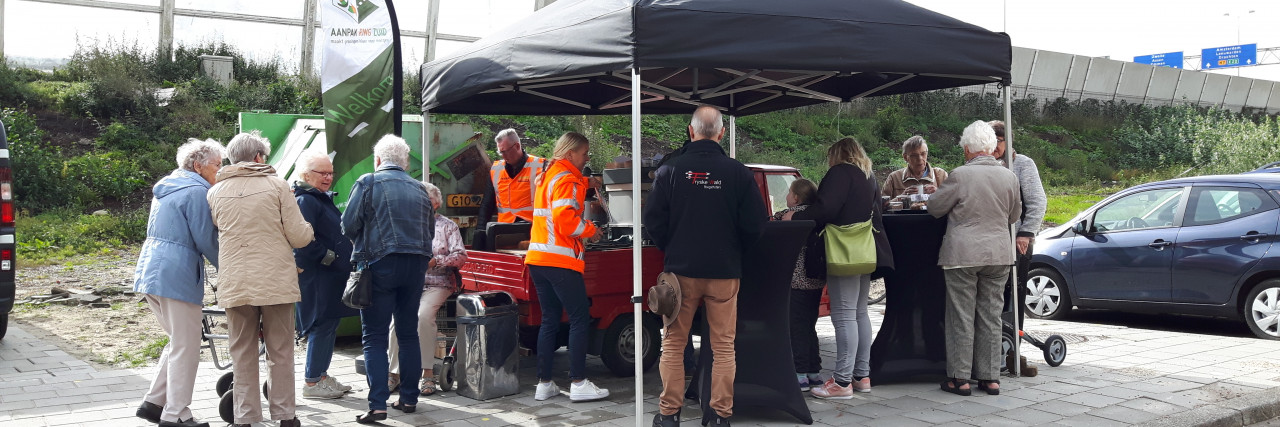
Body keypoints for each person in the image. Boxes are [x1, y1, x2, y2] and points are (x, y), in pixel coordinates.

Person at [645, 106, 766, 427]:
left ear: (690, 130)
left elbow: (653, 222)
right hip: (725, 272)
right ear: (722, 133)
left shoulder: (670, 171)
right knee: (724, 346)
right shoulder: (739, 173)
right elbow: (756, 225)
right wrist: (735, 252)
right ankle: (718, 417)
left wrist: (672, 248)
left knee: (673, 342)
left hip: (680, 273)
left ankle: (669, 415)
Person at [207, 131, 314, 427]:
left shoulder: (215, 191)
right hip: (275, 281)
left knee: (241, 352)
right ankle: (284, 416)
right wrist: (308, 228)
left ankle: (245, 418)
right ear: (257, 158)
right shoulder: (278, 186)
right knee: (280, 351)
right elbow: (299, 236)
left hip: (234, 281)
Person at [785, 137, 893, 399]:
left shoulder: (840, 173)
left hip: (844, 252)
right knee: (859, 313)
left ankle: (842, 381)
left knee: (844, 316)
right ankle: (861, 375)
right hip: (866, 251)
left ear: (838, 155)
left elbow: (826, 209)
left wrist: (795, 216)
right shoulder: (869, 175)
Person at [342, 134, 435, 424]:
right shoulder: (421, 189)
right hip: (416, 266)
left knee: (375, 337)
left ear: (378, 159)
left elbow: (348, 224)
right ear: (405, 162)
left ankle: (377, 405)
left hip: (379, 265)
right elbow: (429, 232)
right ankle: (409, 398)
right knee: (408, 334)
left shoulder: (368, 182)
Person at [132, 138, 224, 427]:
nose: (220, 172)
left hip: (151, 269)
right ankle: (177, 415)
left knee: (179, 341)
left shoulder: (168, 186)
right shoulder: (197, 192)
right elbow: (206, 239)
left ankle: (154, 402)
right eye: (217, 166)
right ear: (198, 166)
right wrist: (231, 268)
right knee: (187, 345)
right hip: (177, 272)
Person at [927, 120, 1022, 396]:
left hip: (963, 255)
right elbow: (1014, 216)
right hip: (999, 255)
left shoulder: (959, 175)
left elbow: (935, 208)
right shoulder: (1009, 177)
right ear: (992, 148)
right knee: (991, 316)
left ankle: (960, 379)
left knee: (961, 316)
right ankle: (991, 378)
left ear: (968, 149)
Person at [525, 132, 610, 403]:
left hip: (538, 259)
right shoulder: (567, 180)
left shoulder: (550, 173)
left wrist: (589, 181)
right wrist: (590, 230)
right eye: (585, 154)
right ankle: (578, 382)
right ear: (571, 153)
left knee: (549, 320)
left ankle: (544, 383)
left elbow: (569, 187)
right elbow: (566, 221)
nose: (587, 159)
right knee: (579, 318)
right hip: (560, 260)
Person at [388, 182, 468, 396]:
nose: (422, 206)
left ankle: (427, 374)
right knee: (397, 320)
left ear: (436, 204)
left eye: (428, 202)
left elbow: (461, 256)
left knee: (423, 316)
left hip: (438, 282)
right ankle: (393, 374)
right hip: (409, 282)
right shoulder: (406, 224)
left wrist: (436, 261)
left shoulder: (447, 226)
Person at [292, 151, 357, 400]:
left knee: (330, 324)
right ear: (306, 175)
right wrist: (330, 257)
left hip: (328, 275)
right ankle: (312, 382)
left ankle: (320, 375)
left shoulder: (316, 197)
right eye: (323, 173)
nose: (328, 177)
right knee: (321, 324)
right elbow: (302, 242)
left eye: (331, 172)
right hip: (318, 276)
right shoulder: (305, 201)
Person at [989, 120, 1046, 330]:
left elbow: (1038, 201)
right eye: (990, 141)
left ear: (1008, 141)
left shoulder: (1023, 164)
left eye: (999, 141)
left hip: (1017, 241)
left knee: (1014, 297)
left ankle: (1015, 352)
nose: (994, 146)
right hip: (991, 240)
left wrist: (1025, 233)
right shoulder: (982, 165)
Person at [771, 178, 826, 392]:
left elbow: (773, 226)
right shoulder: (816, 215)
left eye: (788, 193)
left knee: (796, 327)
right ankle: (815, 371)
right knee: (810, 326)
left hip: (796, 280)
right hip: (815, 279)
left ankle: (800, 373)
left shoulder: (790, 215)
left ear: (796, 197)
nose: (786, 197)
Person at [478, 128, 547, 225]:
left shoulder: (541, 166)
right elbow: (487, 205)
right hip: (504, 230)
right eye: (500, 152)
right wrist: (480, 230)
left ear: (517, 146)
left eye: (505, 151)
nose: (503, 156)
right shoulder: (496, 170)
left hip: (532, 229)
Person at [882, 135, 948, 197]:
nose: (920, 159)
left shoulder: (941, 175)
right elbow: (881, 206)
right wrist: (903, 197)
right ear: (905, 157)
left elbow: (954, 203)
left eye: (923, 154)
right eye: (914, 155)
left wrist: (938, 194)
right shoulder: (894, 178)